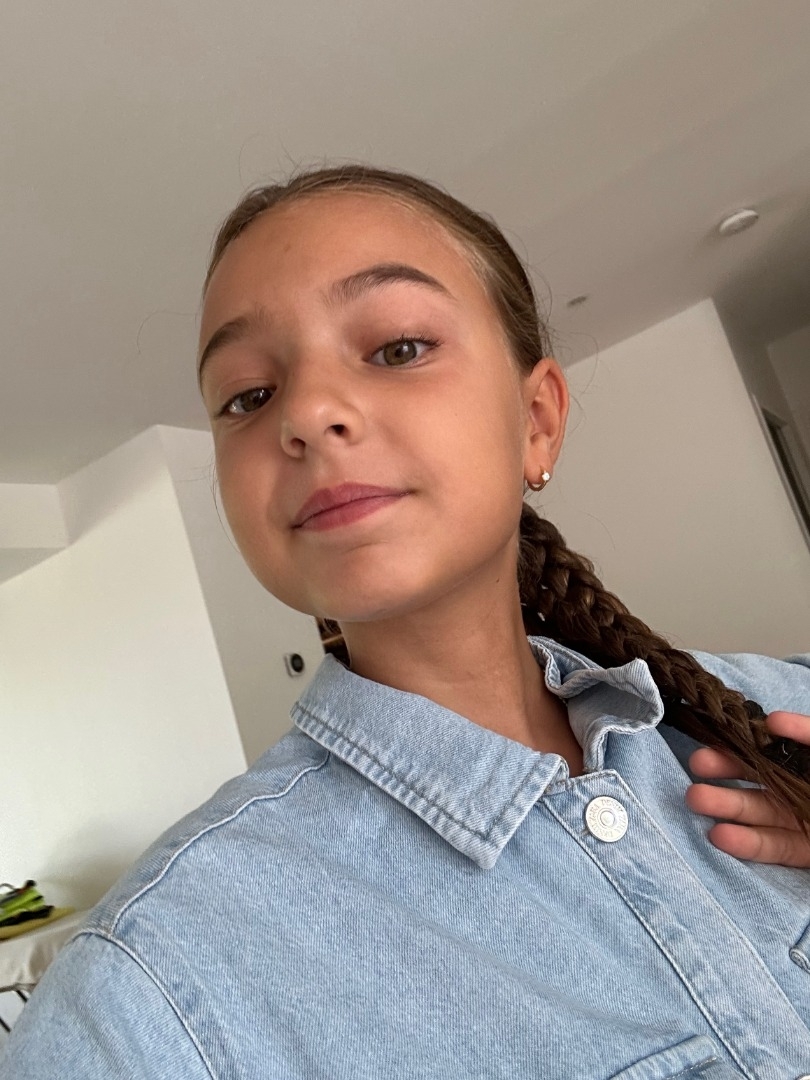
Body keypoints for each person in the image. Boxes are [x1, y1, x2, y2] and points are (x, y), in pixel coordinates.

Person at [2, 165, 810, 1078]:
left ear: (536, 421)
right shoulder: (141, 1001)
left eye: (396, 348)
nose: (306, 414)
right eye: (249, 395)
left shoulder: (783, 712)